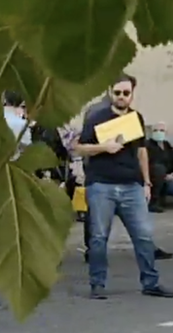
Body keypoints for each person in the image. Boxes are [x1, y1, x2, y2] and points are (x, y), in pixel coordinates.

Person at [73, 75, 173, 299]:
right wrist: (103, 147)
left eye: (126, 93)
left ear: (132, 94)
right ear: (110, 92)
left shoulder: (136, 118)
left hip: (132, 185)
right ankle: (97, 284)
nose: (121, 97)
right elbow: (78, 147)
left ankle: (151, 282)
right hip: (101, 184)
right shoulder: (97, 117)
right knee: (99, 237)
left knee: (144, 236)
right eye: (117, 93)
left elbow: (141, 151)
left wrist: (146, 181)